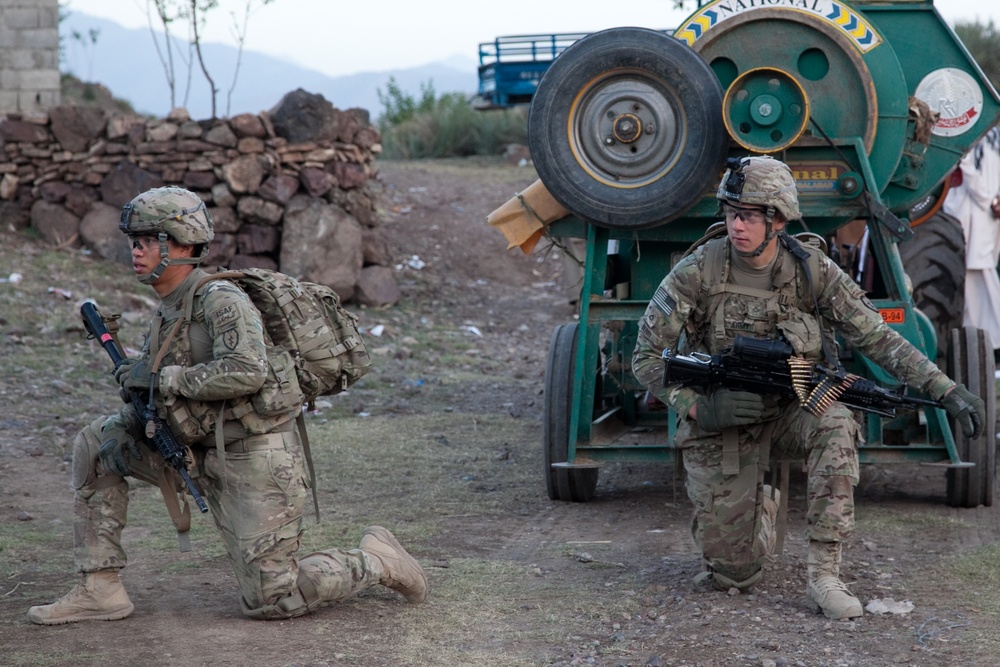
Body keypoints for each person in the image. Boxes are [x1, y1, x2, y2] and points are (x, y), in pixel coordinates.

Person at [27, 186, 427, 625]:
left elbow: (246, 370)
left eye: (145, 240)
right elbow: (176, 370)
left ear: (179, 243)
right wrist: (141, 381)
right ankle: (99, 588)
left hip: (252, 455)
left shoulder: (222, 300)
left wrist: (163, 378)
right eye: (134, 241)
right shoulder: (169, 306)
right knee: (96, 445)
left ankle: (378, 560)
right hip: (192, 444)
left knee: (276, 598)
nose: (135, 251)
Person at [631, 156, 986, 620]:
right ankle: (757, 511)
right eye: (732, 213)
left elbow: (876, 337)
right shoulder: (698, 270)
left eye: (750, 216)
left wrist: (944, 390)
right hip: (722, 421)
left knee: (837, 422)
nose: (737, 226)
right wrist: (699, 409)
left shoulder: (811, 271)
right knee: (735, 575)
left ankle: (824, 574)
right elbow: (644, 358)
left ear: (777, 220)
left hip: (790, 412)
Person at [942, 126, 1000, 358]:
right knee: (971, 276)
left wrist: (993, 200)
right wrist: (991, 199)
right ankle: (981, 344)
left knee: (980, 274)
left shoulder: (993, 133)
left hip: (984, 212)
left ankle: (987, 344)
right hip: (970, 210)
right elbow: (964, 161)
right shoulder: (975, 129)